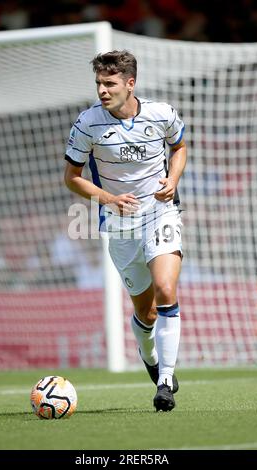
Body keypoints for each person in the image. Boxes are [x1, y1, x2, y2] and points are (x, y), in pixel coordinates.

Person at [64, 50, 187, 412]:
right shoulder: (88, 123)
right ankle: (149, 356)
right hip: (118, 223)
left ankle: (165, 379)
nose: (102, 90)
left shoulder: (161, 113)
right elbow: (71, 178)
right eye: (99, 83)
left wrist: (173, 179)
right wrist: (107, 198)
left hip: (160, 211)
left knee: (167, 289)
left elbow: (179, 147)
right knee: (145, 313)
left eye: (110, 83)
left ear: (130, 83)